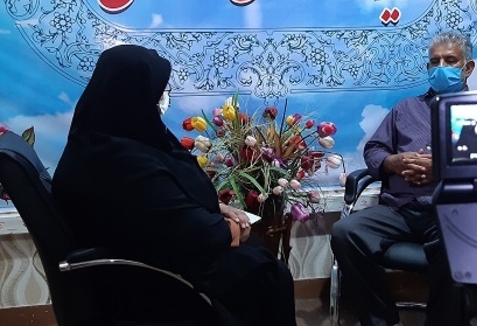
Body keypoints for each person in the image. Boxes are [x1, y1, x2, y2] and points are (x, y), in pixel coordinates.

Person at [52, 44, 296, 326]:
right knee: (269, 274)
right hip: (152, 284)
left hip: (146, 261)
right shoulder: (121, 165)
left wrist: (217, 208)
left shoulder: (99, 140)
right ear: (134, 95)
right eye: (156, 92)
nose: (161, 100)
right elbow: (197, 235)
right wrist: (233, 227)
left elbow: (160, 205)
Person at [331, 31, 476, 326]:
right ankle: (381, 319)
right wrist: (391, 162)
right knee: (346, 232)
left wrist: (443, 169)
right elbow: (374, 149)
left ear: (468, 67)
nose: (441, 68)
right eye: (435, 62)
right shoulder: (406, 109)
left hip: (450, 211)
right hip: (400, 209)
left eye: (450, 61)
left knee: (459, 242)